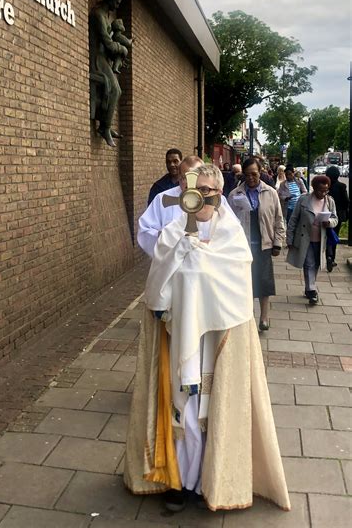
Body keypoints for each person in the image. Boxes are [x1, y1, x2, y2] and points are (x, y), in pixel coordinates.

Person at [125, 164, 290, 514]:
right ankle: (178, 482)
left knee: (211, 413)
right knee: (182, 414)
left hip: (216, 344)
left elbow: (237, 293)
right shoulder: (171, 233)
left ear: (219, 194)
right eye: (196, 189)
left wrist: (200, 260)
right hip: (178, 339)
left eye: (210, 190)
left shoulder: (231, 237)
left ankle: (207, 482)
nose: (203, 196)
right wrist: (183, 254)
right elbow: (157, 287)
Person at [228, 158, 285, 331]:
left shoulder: (270, 192)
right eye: (247, 175)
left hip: (264, 244)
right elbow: (228, 221)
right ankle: (248, 316)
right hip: (242, 245)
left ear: (261, 172)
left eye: (254, 173)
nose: (251, 178)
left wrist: (278, 242)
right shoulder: (235, 194)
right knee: (245, 282)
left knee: (264, 282)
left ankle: (264, 317)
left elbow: (278, 219)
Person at [286, 175, 338, 304]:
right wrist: (289, 238)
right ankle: (312, 291)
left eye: (326, 190)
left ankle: (309, 286)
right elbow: (293, 219)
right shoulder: (303, 200)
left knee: (316, 264)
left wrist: (329, 222)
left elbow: (335, 219)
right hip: (305, 238)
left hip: (321, 240)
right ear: (314, 188)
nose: (323, 193)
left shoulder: (330, 201)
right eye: (320, 190)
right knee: (309, 263)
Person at [139, 155, 201, 256]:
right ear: (179, 177)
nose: (189, 182)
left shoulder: (213, 199)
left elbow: (230, 231)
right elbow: (145, 230)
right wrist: (166, 237)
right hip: (171, 261)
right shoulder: (162, 198)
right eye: (184, 178)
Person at [89, 0, 127, 147]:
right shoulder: (98, 15)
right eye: (117, 2)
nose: (118, 6)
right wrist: (123, 48)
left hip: (103, 58)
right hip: (96, 58)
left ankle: (106, 125)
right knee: (115, 89)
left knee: (116, 90)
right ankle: (104, 127)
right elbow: (108, 43)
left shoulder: (106, 16)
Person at [325, 165, 349, 269]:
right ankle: (332, 257)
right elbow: (346, 202)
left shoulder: (326, 186)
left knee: (326, 236)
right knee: (334, 236)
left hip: (325, 215)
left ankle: (327, 255)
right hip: (337, 216)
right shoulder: (342, 186)